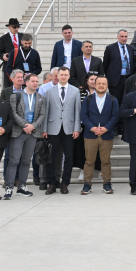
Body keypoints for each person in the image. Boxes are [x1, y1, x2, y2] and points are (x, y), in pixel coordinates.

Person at [42, 66, 81, 195]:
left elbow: (77, 112)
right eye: (61, 74)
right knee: (51, 157)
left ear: (69, 76)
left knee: (69, 157)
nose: (63, 77)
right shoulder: (50, 91)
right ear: (57, 76)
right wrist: (44, 129)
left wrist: (77, 128)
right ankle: (52, 183)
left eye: (66, 74)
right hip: (53, 129)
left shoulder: (75, 91)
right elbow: (46, 112)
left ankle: (65, 183)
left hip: (69, 129)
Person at [4, 73, 45, 198]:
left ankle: (22, 186)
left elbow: (42, 115)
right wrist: (25, 125)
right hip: (18, 132)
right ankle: (9, 187)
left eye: (37, 81)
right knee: (14, 160)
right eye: (32, 81)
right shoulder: (16, 96)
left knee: (26, 161)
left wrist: (32, 126)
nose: (35, 83)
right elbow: (13, 113)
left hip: (32, 133)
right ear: (26, 82)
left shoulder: (41, 97)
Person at [80, 76, 120, 195]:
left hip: (106, 135)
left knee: (105, 161)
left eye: (104, 83)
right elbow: (83, 116)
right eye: (99, 83)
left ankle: (107, 184)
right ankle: (87, 184)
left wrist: (106, 128)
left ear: (107, 86)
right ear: (94, 85)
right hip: (90, 135)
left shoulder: (113, 100)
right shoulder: (87, 99)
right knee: (89, 161)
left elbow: (115, 116)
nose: (101, 85)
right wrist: (92, 128)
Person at [102, 29, 136, 102]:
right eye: (122, 36)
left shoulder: (130, 48)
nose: (124, 38)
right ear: (117, 37)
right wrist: (108, 78)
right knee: (116, 101)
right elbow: (105, 65)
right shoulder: (110, 48)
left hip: (128, 78)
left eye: (125, 36)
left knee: (127, 100)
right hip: (115, 80)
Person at [0, 18, 22, 86]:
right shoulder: (4, 38)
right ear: (9, 27)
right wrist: (3, 56)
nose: (16, 29)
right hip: (9, 66)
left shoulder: (22, 36)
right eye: (14, 27)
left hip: (20, 65)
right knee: (8, 86)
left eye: (18, 27)